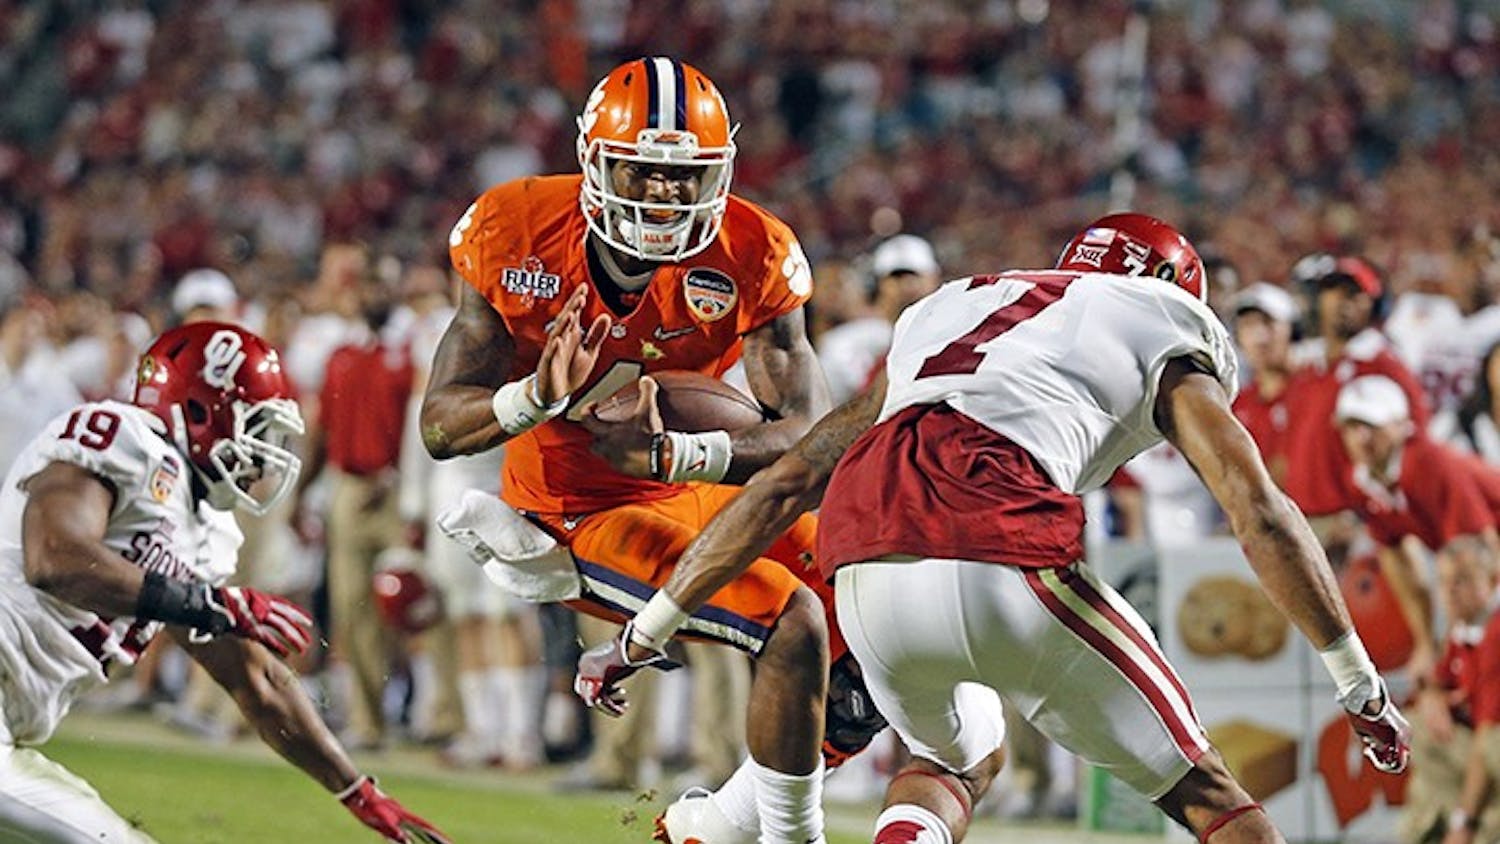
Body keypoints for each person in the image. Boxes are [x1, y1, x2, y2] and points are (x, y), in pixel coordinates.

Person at [586, 213, 1411, 843]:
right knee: (1210, 795)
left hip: (865, 563)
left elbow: (788, 481)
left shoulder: (949, 310)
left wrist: (642, 634)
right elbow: (1257, 509)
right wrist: (1360, 685)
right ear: (1169, 286)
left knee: (953, 757)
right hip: (997, 531)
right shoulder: (1159, 316)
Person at [422, 57, 854, 844]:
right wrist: (534, 399)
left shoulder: (752, 247)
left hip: (687, 485)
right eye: (642, 170)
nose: (663, 193)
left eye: (684, 175)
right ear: (594, 162)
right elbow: (440, 427)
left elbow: (809, 435)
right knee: (793, 624)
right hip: (576, 510)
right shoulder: (518, 228)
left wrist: (675, 456)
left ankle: (718, 827)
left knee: (865, 584)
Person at [0, 321, 447, 843]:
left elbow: (255, 679)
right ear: (199, 412)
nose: (261, 452)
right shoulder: (122, 436)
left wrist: (355, 789)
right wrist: (209, 603)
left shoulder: (208, 530)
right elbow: (55, 559)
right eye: (254, 428)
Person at [1333, 374, 1500, 680]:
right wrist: (1425, 642)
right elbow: (1397, 559)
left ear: (1401, 425)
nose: (1362, 438)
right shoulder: (1362, 481)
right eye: (1352, 427)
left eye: (1372, 426)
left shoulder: (1427, 464)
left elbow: (1476, 556)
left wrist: (1450, 650)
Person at [1401, 537, 1500, 844]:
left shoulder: (1496, 632)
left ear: (1492, 580)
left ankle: (1475, 826)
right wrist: (1432, 695)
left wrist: (1463, 822)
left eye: (1463, 580)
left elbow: (1488, 738)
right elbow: (1438, 680)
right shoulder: (1463, 628)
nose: (1450, 591)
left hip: (1489, 751)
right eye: (1443, 581)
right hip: (1478, 750)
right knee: (1414, 730)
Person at [817, 234, 943, 404]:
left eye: (915, 276)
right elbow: (830, 405)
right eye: (896, 276)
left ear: (934, 278)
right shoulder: (843, 343)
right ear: (878, 283)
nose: (907, 285)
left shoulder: (952, 334)